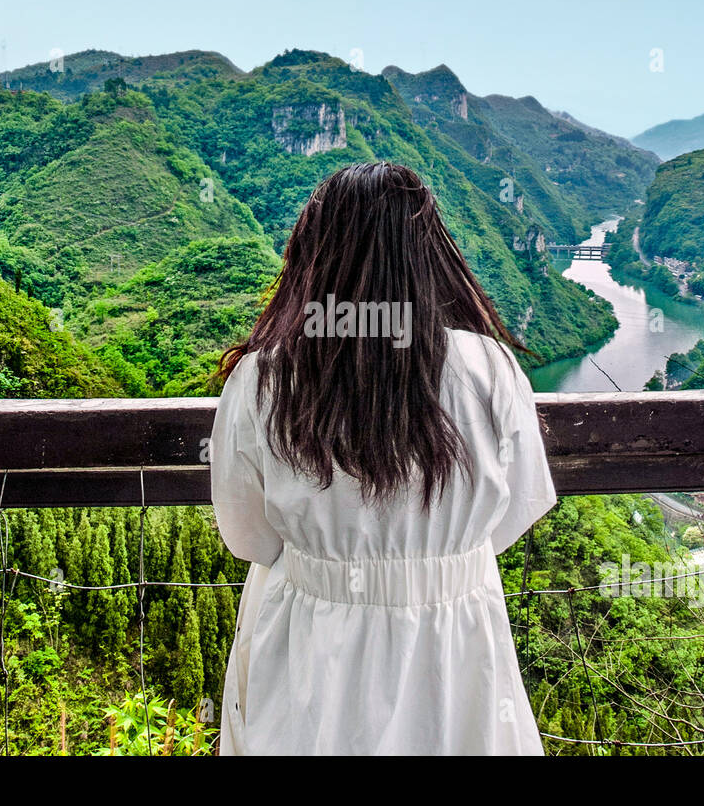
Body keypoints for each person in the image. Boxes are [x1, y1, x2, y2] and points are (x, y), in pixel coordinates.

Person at [209, 161, 556, 755]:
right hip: (456, 637)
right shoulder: (491, 369)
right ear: (430, 257)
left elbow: (248, 536)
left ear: (313, 256)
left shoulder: (264, 378)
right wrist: (433, 559)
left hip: (312, 639)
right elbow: (513, 512)